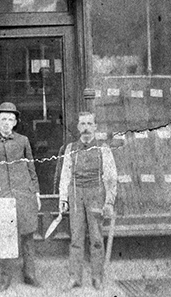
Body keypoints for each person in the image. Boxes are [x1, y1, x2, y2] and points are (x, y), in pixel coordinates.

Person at [0, 102, 41, 291]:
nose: (7, 123)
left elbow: (31, 168)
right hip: (4, 196)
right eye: (4, 119)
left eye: (11, 119)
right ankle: (5, 277)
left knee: (27, 237)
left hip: (24, 195)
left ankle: (29, 274)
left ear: (15, 122)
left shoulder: (23, 141)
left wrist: (36, 193)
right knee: (5, 238)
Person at [59, 111, 117, 291]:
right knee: (76, 238)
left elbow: (111, 177)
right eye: (82, 124)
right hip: (76, 194)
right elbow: (65, 175)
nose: (85, 128)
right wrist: (63, 198)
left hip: (95, 194)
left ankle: (97, 277)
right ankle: (74, 277)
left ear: (95, 127)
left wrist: (108, 201)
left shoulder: (103, 149)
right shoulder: (70, 149)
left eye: (89, 124)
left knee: (96, 237)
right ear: (78, 127)